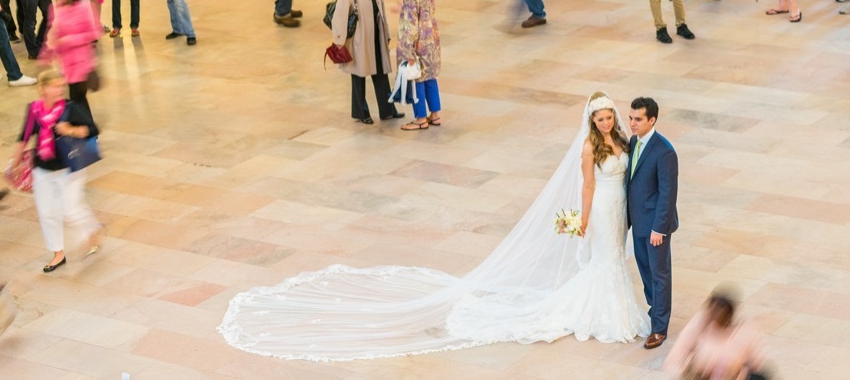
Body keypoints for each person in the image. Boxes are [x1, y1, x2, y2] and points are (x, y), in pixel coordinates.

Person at [219, 92, 652, 360]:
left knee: (614, 257)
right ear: (591, 121)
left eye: (608, 117)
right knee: (605, 260)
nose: (606, 123)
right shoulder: (589, 148)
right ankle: (605, 315)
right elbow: (588, 187)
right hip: (600, 212)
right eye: (599, 119)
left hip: (620, 211)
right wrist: (582, 221)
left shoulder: (622, 140)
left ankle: (612, 310)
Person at [9, 69, 101, 274]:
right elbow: (23, 137)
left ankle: (92, 230)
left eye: (61, 86)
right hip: (42, 169)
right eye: (55, 86)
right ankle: (57, 253)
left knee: (70, 210)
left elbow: (93, 130)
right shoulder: (33, 109)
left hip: (69, 169)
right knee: (47, 213)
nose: (60, 90)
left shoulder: (71, 108)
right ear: (43, 89)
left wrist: (72, 130)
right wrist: (15, 164)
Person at [626, 96, 678, 350]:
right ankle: (653, 311)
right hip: (638, 222)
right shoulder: (634, 142)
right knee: (646, 273)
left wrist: (659, 228)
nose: (632, 124)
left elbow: (668, 193)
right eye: (631, 118)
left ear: (652, 120)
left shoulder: (664, 151)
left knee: (659, 275)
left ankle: (659, 328)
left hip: (655, 227)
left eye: (638, 119)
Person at [330, 0, 402, 124]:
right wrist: (339, 41)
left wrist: (387, 34)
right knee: (358, 75)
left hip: (376, 37)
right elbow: (339, 15)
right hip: (359, 40)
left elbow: (382, 10)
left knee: (381, 73)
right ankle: (361, 113)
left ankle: (388, 110)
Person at [664, 289, 769, 378]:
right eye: (713, 310)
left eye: (720, 312)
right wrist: (691, 368)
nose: (716, 315)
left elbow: (755, 362)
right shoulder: (698, 325)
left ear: (729, 315)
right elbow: (676, 357)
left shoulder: (744, 332)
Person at [40, 0, 99, 111]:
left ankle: (90, 130)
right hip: (66, 66)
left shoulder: (84, 6)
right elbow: (53, 36)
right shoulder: (56, 9)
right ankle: (88, 130)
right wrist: (47, 54)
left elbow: (94, 33)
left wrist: (70, 40)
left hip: (82, 66)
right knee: (77, 103)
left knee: (77, 102)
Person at [396, 0, 442, 131]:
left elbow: (409, 26)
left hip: (418, 45)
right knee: (430, 77)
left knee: (416, 79)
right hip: (431, 41)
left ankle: (420, 118)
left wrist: (408, 52)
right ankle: (435, 114)